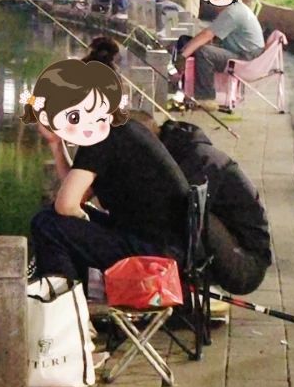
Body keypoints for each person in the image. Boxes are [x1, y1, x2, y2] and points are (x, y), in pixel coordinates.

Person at [24, 57, 190, 287]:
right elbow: (76, 195)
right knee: (52, 219)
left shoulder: (103, 136)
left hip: (154, 255)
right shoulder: (114, 127)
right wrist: (55, 143)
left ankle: (62, 303)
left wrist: (81, 219)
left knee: (47, 224)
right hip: (162, 245)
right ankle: (68, 294)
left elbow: (66, 205)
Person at [158, 118, 272, 294]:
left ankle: (175, 289)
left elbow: (177, 211)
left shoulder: (198, 160)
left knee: (186, 211)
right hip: (237, 248)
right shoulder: (186, 149)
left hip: (247, 263)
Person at [176, 0, 264, 103]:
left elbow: (207, 34)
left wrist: (183, 55)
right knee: (195, 44)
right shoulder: (235, 7)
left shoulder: (232, 12)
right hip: (248, 52)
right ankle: (188, 88)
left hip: (247, 57)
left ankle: (206, 99)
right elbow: (211, 33)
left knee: (204, 52)